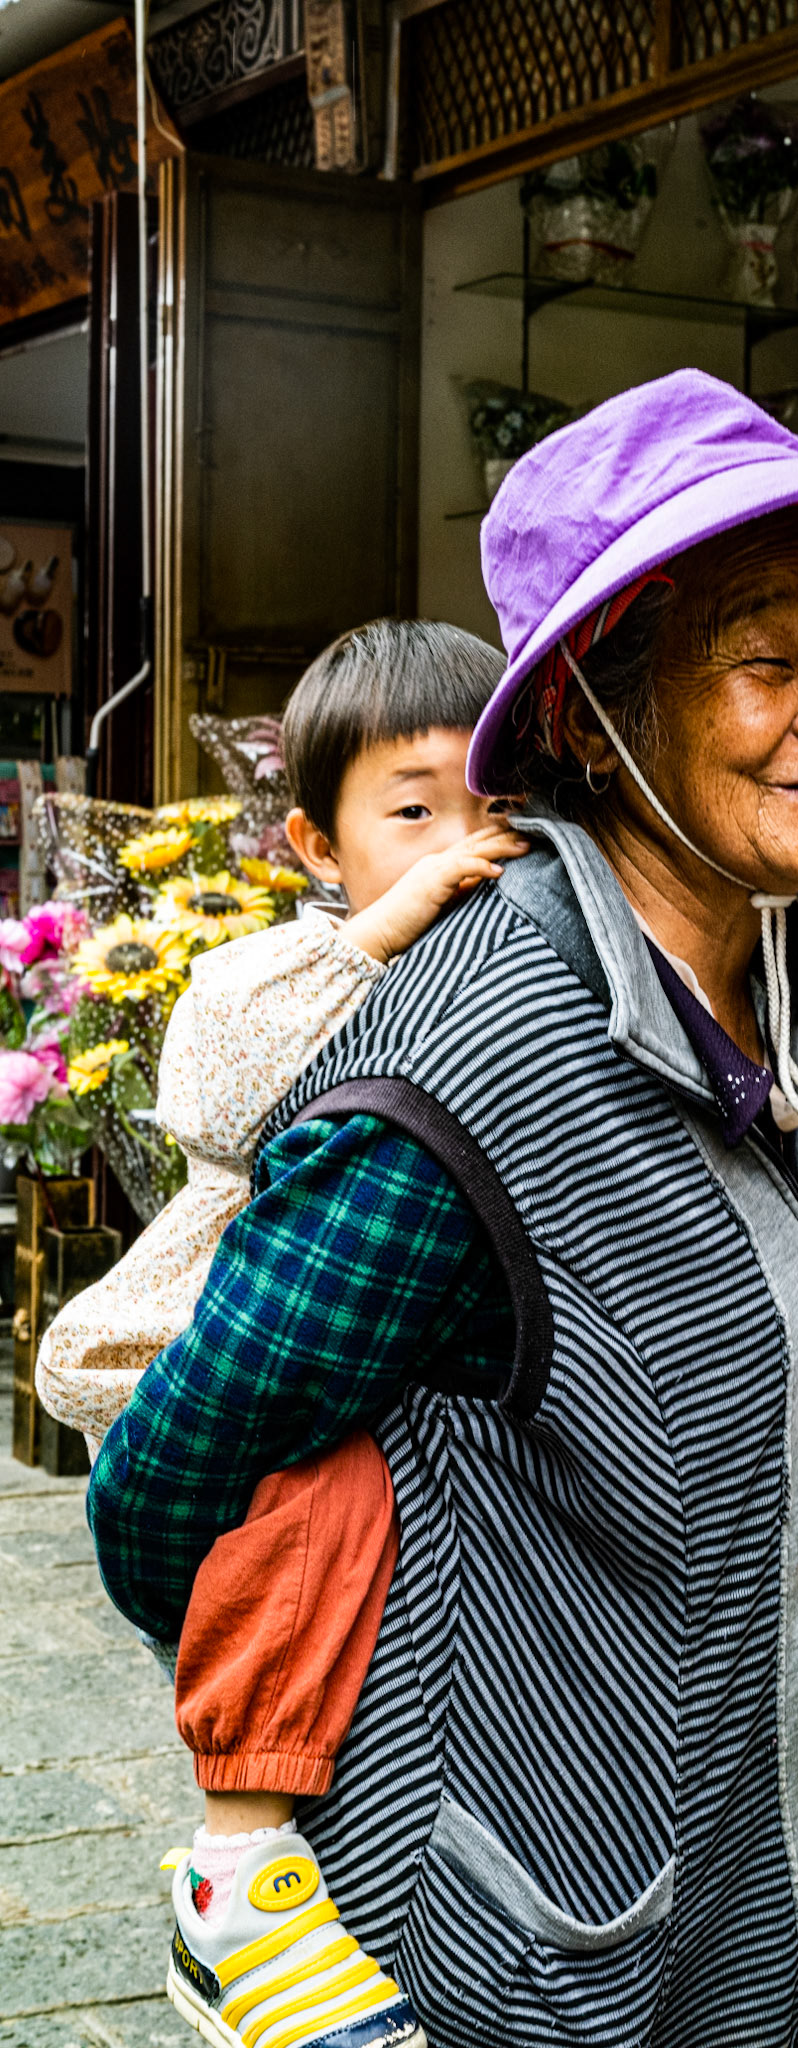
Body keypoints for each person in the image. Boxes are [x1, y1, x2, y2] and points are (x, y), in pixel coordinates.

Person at [88, 369, 798, 2048]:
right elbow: (168, 1477)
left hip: (722, 1929)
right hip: (500, 1970)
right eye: (765, 661)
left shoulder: (760, 983)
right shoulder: (485, 1050)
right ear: (596, 714)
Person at [45, 620, 525, 2048]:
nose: (462, 840)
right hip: (202, 1307)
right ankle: (237, 1870)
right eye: (414, 810)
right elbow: (218, 1093)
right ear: (318, 848)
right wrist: (391, 927)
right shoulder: (289, 966)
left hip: (338, 1318)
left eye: (493, 804)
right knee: (320, 1505)